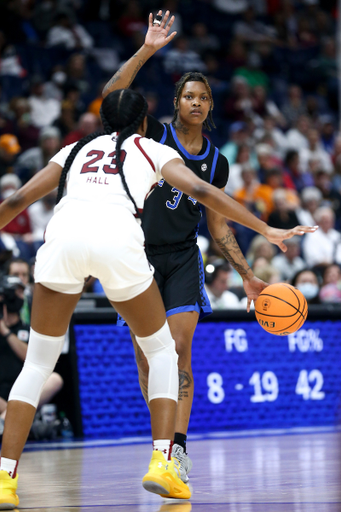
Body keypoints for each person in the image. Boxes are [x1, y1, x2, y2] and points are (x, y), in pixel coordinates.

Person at [0, 86, 317, 508]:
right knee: (164, 352)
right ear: (144, 123)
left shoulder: (74, 149)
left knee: (38, 363)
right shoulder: (150, 148)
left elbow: (19, 199)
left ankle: (4, 478)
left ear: (102, 121)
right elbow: (205, 194)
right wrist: (267, 229)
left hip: (62, 242)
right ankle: (163, 463)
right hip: (119, 243)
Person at [102, 10, 317, 484]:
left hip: (181, 257)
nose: (196, 103)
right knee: (145, 356)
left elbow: (218, 228)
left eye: (203, 97)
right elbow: (112, 97)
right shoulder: (152, 135)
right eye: (188, 96)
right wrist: (148, 49)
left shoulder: (216, 163)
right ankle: (160, 443)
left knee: (178, 350)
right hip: (135, 255)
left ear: (210, 106)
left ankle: (176, 451)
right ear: (176, 103)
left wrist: (246, 274)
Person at [0, 275, 63, 436]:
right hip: (1, 396)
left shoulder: (29, 329)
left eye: (22, 293)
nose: (19, 297)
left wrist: (5, 332)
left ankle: (6, 422)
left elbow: (30, 357)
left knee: (55, 379)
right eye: (16, 293)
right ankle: (18, 422)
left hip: (23, 392)